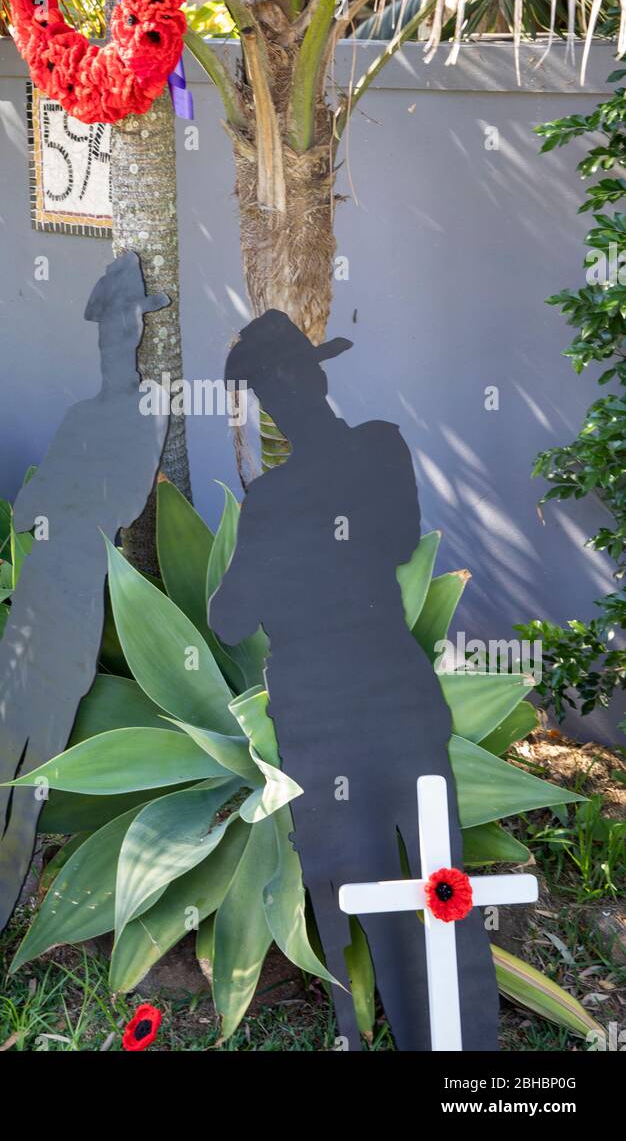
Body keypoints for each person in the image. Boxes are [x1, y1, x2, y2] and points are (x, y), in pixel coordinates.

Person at [209, 309, 498, 1050]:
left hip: (320, 718)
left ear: (271, 405)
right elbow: (401, 538)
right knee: (444, 881)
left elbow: (230, 619)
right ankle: (466, 1048)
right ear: (321, 377)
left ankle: (368, 1034)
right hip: (399, 696)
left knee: (352, 890)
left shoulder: (271, 502)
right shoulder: (382, 449)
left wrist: (271, 542)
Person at [0, 253, 168, 997]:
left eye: (124, 325)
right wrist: (60, 503)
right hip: (39, 588)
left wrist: (58, 503)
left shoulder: (144, 414)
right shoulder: (80, 417)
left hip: (73, 596)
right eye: (106, 328)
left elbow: (111, 506)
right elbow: (38, 504)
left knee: (27, 777)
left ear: (137, 332)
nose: (114, 340)